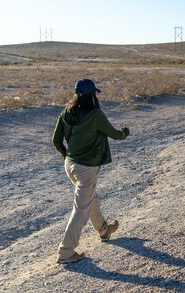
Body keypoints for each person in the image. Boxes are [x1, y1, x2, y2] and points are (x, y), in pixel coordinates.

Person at [52, 78, 130, 264]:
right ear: (92, 94)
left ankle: (104, 229)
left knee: (89, 197)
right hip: (86, 167)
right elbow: (115, 135)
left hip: (70, 165)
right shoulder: (95, 115)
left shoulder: (65, 112)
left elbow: (56, 141)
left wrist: (68, 157)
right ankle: (66, 252)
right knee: (81, 209)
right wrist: (125, 132)